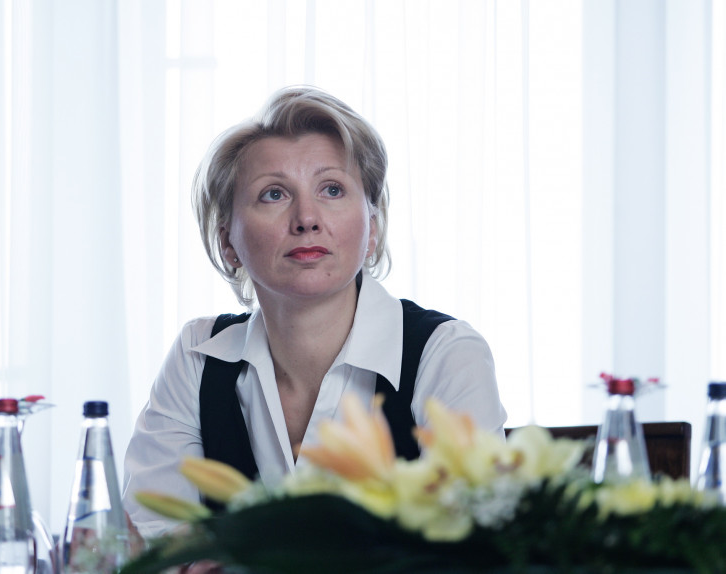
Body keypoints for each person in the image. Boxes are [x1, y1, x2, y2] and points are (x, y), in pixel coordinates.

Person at [121, 86, 507, 541]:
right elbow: (152, 538)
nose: (306, 218)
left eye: (331, 189)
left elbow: (471, 547)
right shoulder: (197, 356)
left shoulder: (447, 354)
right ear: (228, 243)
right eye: (273, 194)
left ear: (372, 230)